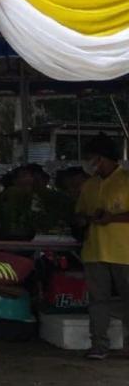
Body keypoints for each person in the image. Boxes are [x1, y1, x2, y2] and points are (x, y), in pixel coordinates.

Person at [75, 136, 129, 361]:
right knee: (98, 301)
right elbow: (79, 213)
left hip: (124, 252)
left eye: (91, 158)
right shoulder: (90, 184)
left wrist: (113, 218)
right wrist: (84, 219)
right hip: (95, 250)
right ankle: (99, 345)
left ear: (102, 158)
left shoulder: (126, 180)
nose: (89, 163)